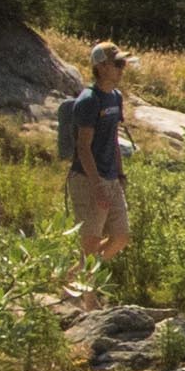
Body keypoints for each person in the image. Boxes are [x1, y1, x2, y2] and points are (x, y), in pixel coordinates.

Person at [60, 45, 134, 262]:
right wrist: (97, 185)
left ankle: (74, 276)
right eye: (117, 64)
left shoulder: (116, 97)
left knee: (121, 236)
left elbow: (113, 138)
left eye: (123, 64)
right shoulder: (89, 100)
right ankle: (86, 295)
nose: (122, 69)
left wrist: (120, 173)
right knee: (91, 242)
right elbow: (83, 147)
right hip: (87, 178)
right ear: (101, 67)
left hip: (111, 177)